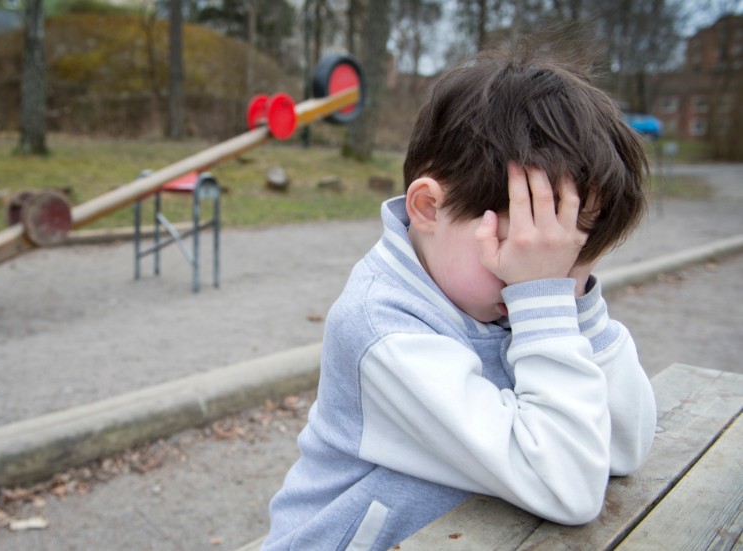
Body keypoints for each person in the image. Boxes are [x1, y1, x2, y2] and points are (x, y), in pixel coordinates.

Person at [262, 48, 657, 551]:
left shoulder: (531, 293)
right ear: (428, 207)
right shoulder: (382, 329)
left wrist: (569, 296)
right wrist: (539, 299)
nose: (540, 281)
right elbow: (570, 488)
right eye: (520, 251)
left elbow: (622, 448)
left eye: (568, 258)